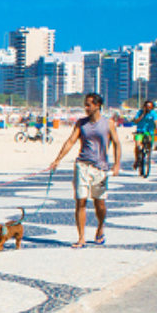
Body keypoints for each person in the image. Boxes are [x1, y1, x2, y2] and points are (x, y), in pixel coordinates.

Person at [45, 92, 121, 248]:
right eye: (85, 104)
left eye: (89, 105)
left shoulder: (109, 123)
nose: (86, 108)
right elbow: (71, 141)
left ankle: (100, 227)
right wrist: (57, 159)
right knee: (81, 202)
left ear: (97, 105)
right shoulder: (81, 123)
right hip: (82, 165)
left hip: (100, 168)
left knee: (99, 204)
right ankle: (81, 237)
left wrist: (117, 164)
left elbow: (117, 144)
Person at [132, 99, 157, 178]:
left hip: (149, 132)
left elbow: (156, 122)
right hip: (140, 131)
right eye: (146, 106)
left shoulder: (153, 114)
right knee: (137, 145)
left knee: (149, 143)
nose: (148, 108)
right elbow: (135, 121)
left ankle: (148, 155)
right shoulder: (140, 112)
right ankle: (137, 160)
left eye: (150, 107)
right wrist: (143, 114)